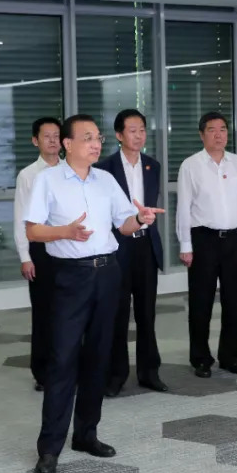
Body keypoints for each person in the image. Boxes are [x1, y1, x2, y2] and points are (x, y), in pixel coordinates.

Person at [25, 114, 162, 473]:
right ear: (67, 144)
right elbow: (33, 231)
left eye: (98, 137)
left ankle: (86, 434)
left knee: (99, 356)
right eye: (87, 137)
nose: (96, 143)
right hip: (70, 276)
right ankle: (49, 448)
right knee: (63, 360)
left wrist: (142, 219)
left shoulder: (106, 180)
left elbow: (124, 224)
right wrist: (64, 231)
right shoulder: (47, 180)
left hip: (108, 273)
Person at [176, 111, 237, 378]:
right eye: (212, 130)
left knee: (234, 302)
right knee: (201, 302)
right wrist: (185, 244)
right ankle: (200, 358)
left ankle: (230, 357)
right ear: (202, 135)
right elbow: (184, 208)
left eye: (223, 129)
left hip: (234, 239)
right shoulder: (191, 165)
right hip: (204, 240)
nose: (219, 135)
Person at [95, 109, 168, 396]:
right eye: (132, 130)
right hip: (119, 247)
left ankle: (149, 372)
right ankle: (116, 375)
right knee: (118, 313)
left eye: (142, 130)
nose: (139, 136)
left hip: (146, 245)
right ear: (119, 135)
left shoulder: (153, 166)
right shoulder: (104, 168)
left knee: (147, 313)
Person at [14, 117, 62, 392]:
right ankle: (43, 372)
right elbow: (20, 218)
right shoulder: (28, 175)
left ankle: (69, 366)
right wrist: (25, 256)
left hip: (69, 248)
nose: (53, 141)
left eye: (57, 135)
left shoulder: (71, 170)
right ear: (35, 141)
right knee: (44, 312)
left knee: (69, 311)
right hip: (40, 249)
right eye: (47, 136)